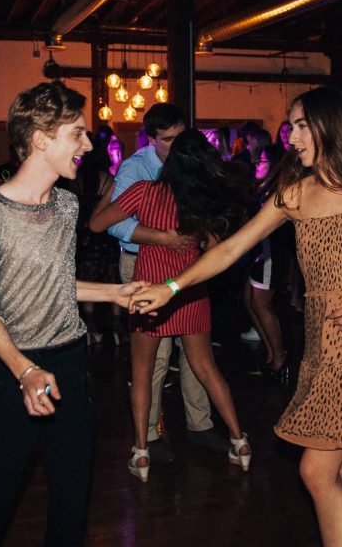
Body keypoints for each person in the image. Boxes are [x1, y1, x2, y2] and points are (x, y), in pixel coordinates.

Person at [130, 87, 342, 546]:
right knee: (339, 470)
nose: (290, 137)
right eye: (290, 127)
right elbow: (232, 248)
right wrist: (171, 287)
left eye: (298, 125)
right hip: (320, 344)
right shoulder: (295, 192)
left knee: (316, 469)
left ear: (328, 125)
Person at [0, 81, 147, 546]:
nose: (89, 145)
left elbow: (57, 284)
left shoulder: (66, 205)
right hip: (13, 371)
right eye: (78, 134)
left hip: (68, 363)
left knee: (71, 502)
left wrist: (116, 293)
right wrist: (24, 371)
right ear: (41, 139)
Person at [91, 128, 254, 481]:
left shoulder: (144, 192)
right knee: (206, 368)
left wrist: (108, 192)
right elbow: (216, 251)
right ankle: (239, 441)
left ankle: (141, 453)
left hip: (150, 293)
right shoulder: (199, 201)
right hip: (189, 292)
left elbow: (96, 223)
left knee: (142, 374)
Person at [101, 103, 227, 464]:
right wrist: (163, 238)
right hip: (143, 264)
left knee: (195, 356)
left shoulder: (191, 165)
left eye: (179, 136)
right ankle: (149, 435)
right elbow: (113, 224)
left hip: (188, 268)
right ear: (150, 139)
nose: (175, 145)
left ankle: (199, 425)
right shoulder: (135, 169)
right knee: (153, 360)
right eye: (167, 139)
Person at [244, 141, 291, 380]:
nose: (256, 164)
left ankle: (279, 359)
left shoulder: (278, 192)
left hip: (271, 256)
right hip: (260, 255)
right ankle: (272, 354)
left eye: (261, 161)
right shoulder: (263, 189)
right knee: (251, 302)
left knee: (261, 305)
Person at [72, 133, 123, 345]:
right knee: (113, 279)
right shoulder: (109, 179)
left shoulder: (77, 179)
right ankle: (119, 330)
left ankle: (91, 330)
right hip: (106, 235)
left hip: (84, 237)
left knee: (88, 281)